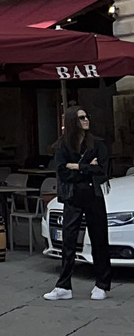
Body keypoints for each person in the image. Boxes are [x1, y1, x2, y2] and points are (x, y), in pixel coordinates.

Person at [54, 107, 114, 301]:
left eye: (87, 116)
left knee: (99, 239)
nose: (86, 120)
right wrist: (89, 167)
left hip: (94, 196)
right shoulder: (64, 146)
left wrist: (78, 166)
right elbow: (62, 172)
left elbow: (103, 172)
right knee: (68, 240)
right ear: (73, 121)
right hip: (73, 197)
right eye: (81, 118)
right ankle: (64, 286)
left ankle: (102, 285)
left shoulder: (97, 145)